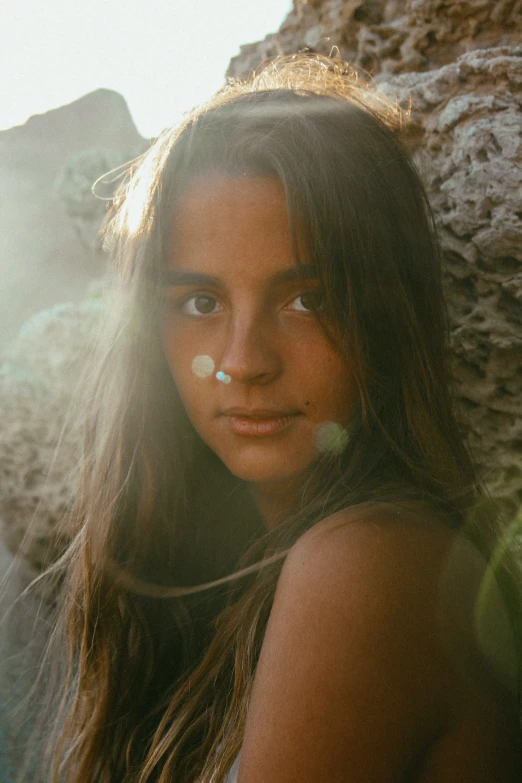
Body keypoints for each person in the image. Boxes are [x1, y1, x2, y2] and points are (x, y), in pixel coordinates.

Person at [40, 54, 522, 781]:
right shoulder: (246, 574)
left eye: (307, 298)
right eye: (200, 303)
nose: (243, 361)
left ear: (387, 313)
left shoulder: (364, 563)